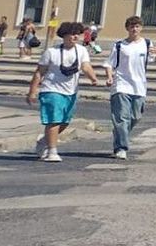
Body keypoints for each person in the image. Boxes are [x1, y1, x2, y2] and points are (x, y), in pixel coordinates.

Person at [26, 22, 101, 162]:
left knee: (65, 121)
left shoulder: (81, 51)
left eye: (77, 34)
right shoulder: (51, 52)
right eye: (71, 34)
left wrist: (93, 78)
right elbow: (39, 73)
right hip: (51, 90)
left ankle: (44, 141)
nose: (74, 37)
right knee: (54, 120)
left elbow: (85, 66)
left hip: (70, 92)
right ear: (64, 36)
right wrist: (32, 92)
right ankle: (52, 152)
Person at [104, 15, 156, 160]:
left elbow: (153, 60)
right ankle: (121, 148)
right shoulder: (119, 45)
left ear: (141, 28)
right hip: (121, 85)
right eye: (131, 27)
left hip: (139, 86)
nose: (134, 29)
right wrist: (110, 77)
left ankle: (119, 133)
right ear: (127, 28)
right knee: (122, 117)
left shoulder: (147, 44)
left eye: (137, 26)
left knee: (135, 116)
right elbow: (109, 64)